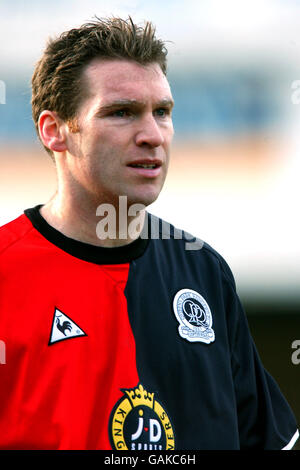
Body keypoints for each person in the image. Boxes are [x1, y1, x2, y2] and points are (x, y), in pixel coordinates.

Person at [0, 16, 298, 451]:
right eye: (122, 113)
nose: (152, 135)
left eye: (162, 112)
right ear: (55, 131)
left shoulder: (203, 270)